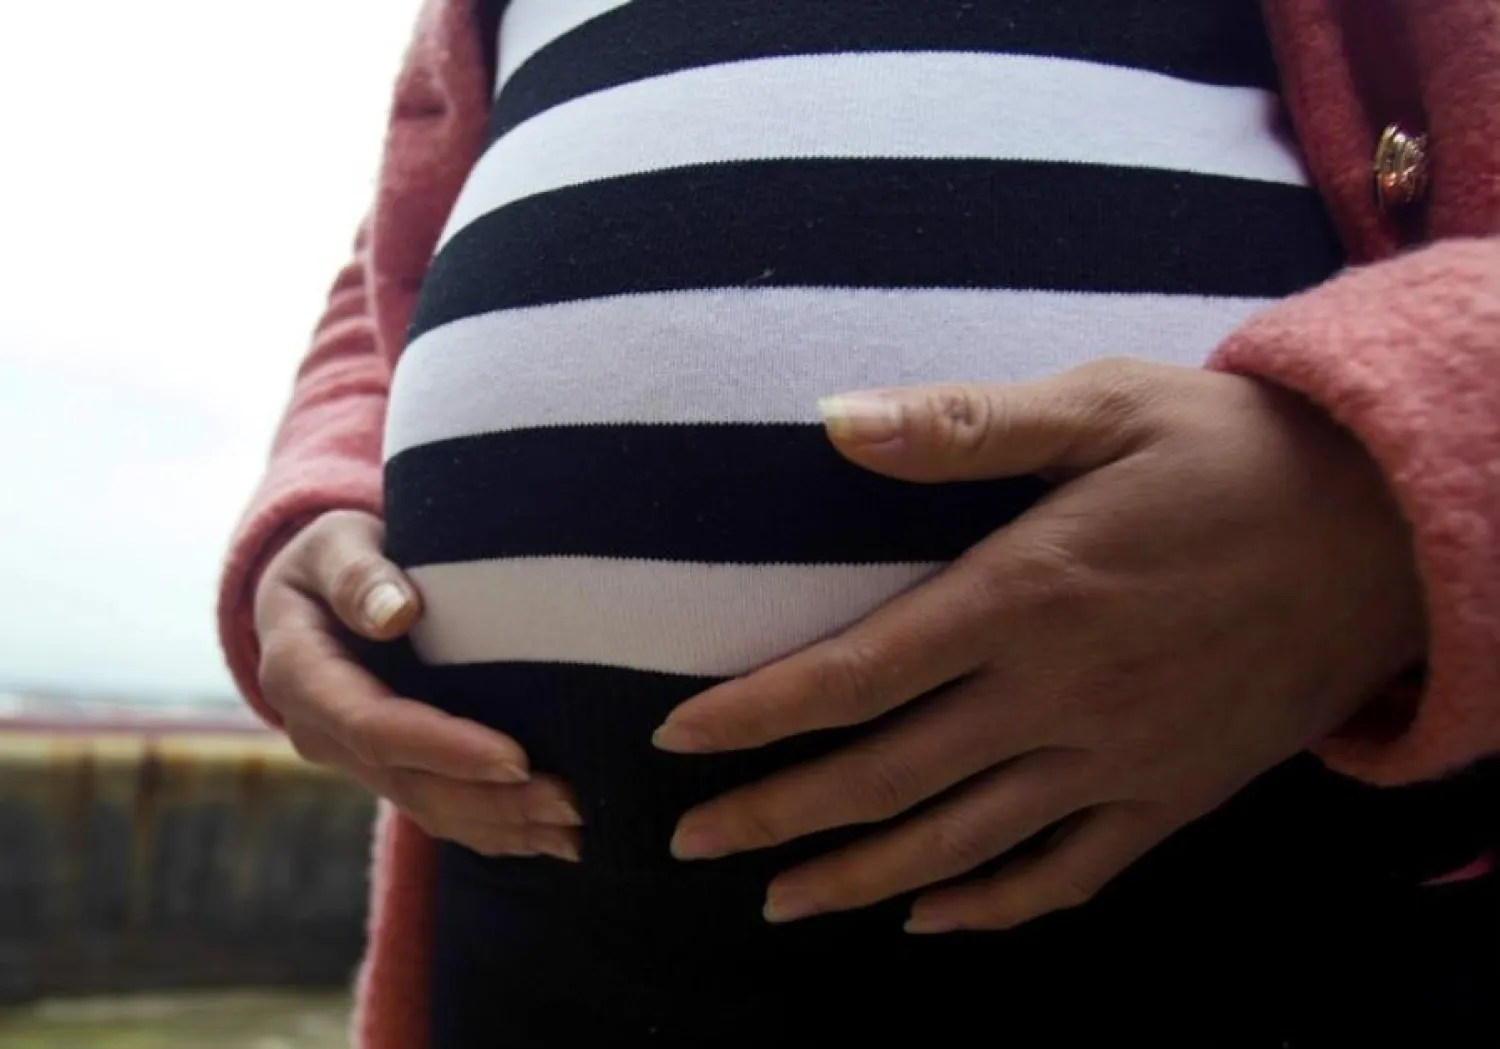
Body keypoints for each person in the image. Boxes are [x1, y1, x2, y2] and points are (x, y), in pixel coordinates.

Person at [221, 1, 1500, 1046]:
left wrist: (1382, 491)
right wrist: (318, 497)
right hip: (541, 930)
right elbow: (401, 249)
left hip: (1249, 911)